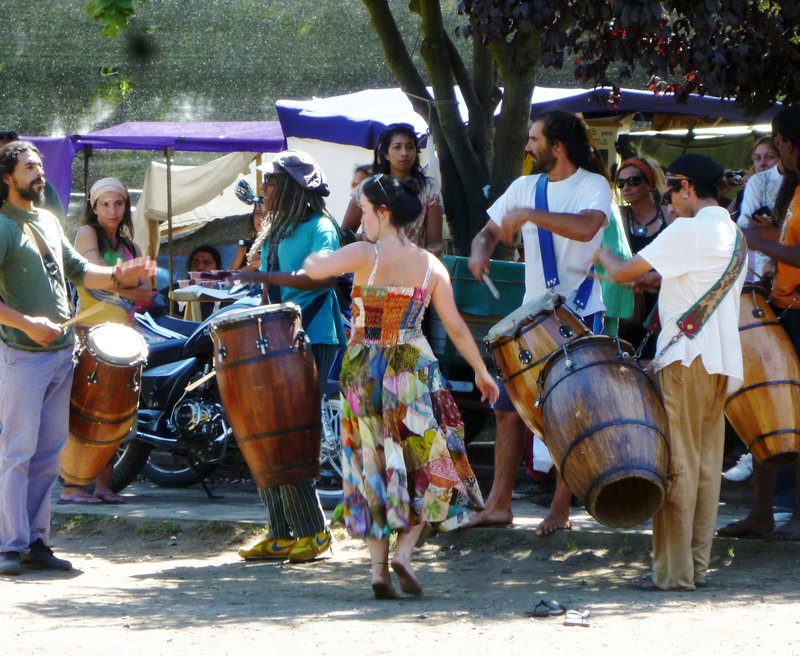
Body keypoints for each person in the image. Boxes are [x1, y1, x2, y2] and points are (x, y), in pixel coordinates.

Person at [303, 173, 499, 599]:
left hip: (362, 369)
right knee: (431, 461)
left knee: (373, 467)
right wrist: (481, 372)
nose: (362, 222)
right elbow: (457, 328)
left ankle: (378, 571)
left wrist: (322, 234)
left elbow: (314, 268)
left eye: (367, 212)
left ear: (383, 212)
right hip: (412, 367)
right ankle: (404, 553)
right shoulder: (432, 265)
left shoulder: (363, 254)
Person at [0, 141, 155, 576]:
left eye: (40, 165)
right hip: (21, 355)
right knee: (17, 452)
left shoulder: (48, 220)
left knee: (49, 454)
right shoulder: (2, 226)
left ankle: (36, 541)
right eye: (30, 166)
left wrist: (122, 274)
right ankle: (7, 545)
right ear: (7, 177)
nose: (39, 172)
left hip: (60, 353)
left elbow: (82, 271)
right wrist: (26, 323)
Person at [598, 153, 746, 591]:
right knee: (704, 470)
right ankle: (694, 567)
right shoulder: (733, 233)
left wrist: (595, 245)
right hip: (720, 363)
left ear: (685, 187)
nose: (669, 201)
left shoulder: (688, 229)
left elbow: (624, 272)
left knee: (676, 466)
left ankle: (672, 573)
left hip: (684, 361)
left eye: (671, 190)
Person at [468, 110, 612, 535]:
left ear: (558, 147)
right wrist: (480, 250)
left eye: (534, 139)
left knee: (571, 415)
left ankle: (560, 509)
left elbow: (587, 229)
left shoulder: (593, 186)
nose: (527, 146)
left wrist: (530, 215)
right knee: (507, 412)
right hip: (530, 320)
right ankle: (499, 505)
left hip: (580, 315)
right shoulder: (523, 187)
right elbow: (488, 233)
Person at [234, 150, 347, 563]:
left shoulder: (321, 226)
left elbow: (327, 275)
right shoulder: (277, 227)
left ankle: (314, 533)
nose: (263, 189)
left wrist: (263, 276)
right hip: (275, 337)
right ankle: (281, 533)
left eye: (270, 182)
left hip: (312, 336)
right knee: (266, 430)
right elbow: (268, 286)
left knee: (292, 433)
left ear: (291, 187)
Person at [727, 105, 800, 541]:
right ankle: (761, 513)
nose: (776, 151)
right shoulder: (794, 191)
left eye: (779, 144)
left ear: (789, 144)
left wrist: (758, 243)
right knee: (764, 408)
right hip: (785, 308)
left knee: (793, 414)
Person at [58, 177, 152, 505]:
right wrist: (125, 283)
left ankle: (103, 486)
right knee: (84, 413)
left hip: (123, 336)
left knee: (115, 414)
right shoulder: (87, 233)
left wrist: (118, 285)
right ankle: (71, 488)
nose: (113, 210)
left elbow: (146, 293)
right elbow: (93, 270)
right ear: (94, 208)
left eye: (119, 203)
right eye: (105, 204)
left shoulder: (132, 246)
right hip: (88, 334)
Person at [342, 123, 443, 254]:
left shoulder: (428, 188)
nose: (404, 153)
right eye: (397, 147)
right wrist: (363, 238)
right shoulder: (368, 188)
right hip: (371, 266)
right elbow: (344, 234)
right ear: (386, 154)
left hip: (411, 267)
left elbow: (435, 243)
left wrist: (420, 258)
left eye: (409, 147)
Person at [614, 156, 671, 359]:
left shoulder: (671, 217)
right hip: (629, 298)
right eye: (621, 183)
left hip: (663, 296)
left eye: (634, 181)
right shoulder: (618, 217)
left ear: (649, 183)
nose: (626, 187)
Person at [728, 136, 780, 222]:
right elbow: (725, 222)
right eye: (758, 158)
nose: (762, 163)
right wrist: (747, 190)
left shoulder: (787, 189)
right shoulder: (749, 188)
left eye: (769, 157)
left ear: (781, 161)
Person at [229, 202, 266, 270]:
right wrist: (253, 265)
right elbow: (230, 276)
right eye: (257, 213)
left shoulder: (281, 245)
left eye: (266, 214)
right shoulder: (245, 245)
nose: (261, 219)